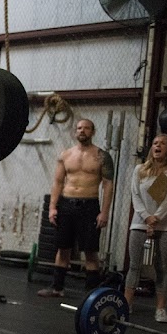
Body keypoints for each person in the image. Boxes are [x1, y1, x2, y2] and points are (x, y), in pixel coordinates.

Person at [38, 118, 115, 297]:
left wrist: (104, 212)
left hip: (89, 206)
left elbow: (108, 185)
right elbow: (57, 182)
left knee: (90, 250)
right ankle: (57, 288)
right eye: (79, 128)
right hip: (67, 205)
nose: (82, 131)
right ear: (75, 132)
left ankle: (91, 293)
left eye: (86, 128)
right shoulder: (65, 155)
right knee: (63, 248)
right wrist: (52, 208)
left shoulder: (102, 156)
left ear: (93, 132)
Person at [124, 133, 167, 323]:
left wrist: (156, 218)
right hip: (140, 222)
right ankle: (126, 304)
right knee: (134, 265)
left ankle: (160, 309)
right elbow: (135, 195)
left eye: (162, 143)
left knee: (161, 266)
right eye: (155, 143)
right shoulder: (140, 169)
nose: (158, 146)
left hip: (165, 224)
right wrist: (146, 217)